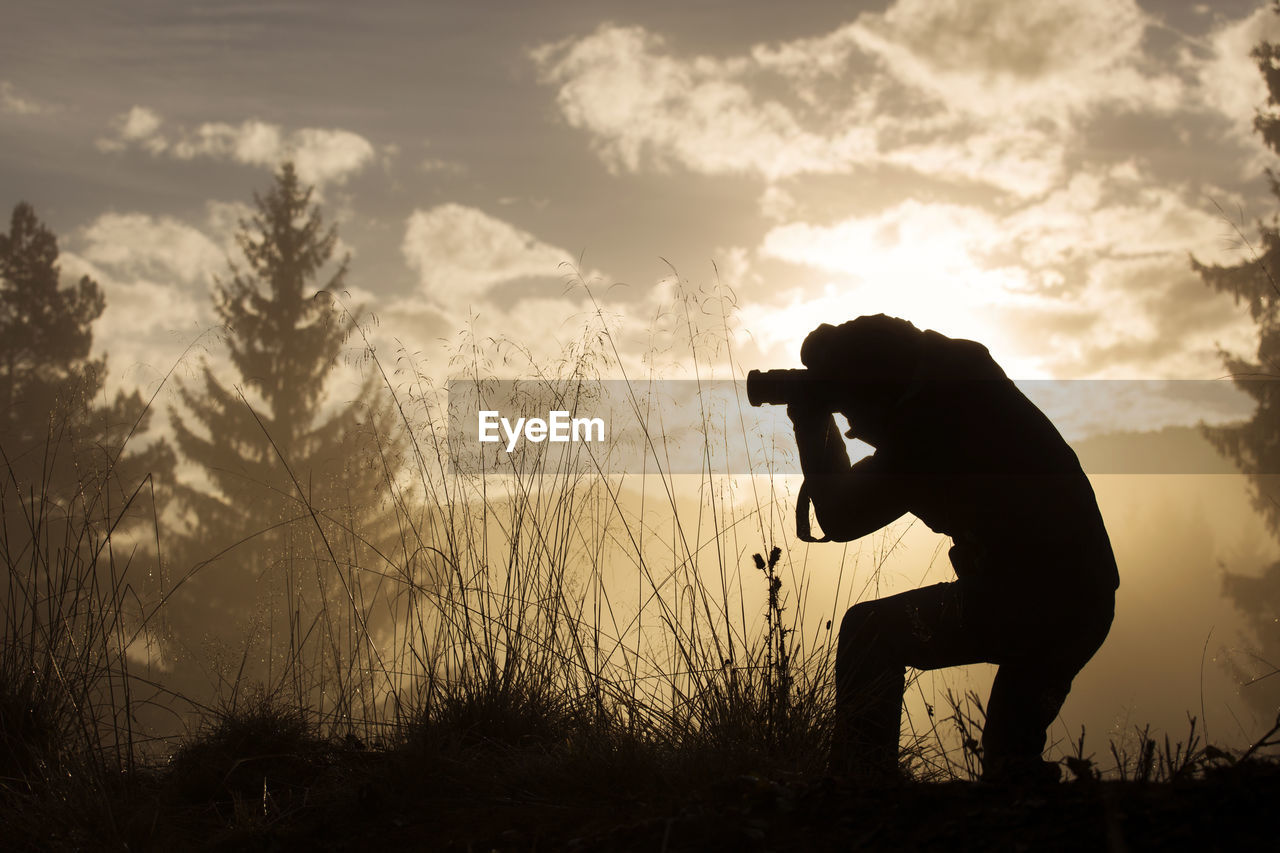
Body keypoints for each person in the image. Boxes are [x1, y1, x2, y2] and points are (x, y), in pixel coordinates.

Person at [787, 314, 1118, 786]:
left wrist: (811, 419)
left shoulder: (930, 429)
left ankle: (861, 792)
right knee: (1009, 766)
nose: (856, 426)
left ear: (878, 391)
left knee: (869, 633)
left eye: (853, 415)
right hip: (1081, 606)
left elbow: (841, 517)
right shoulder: (960, 393)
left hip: (1031, 602)